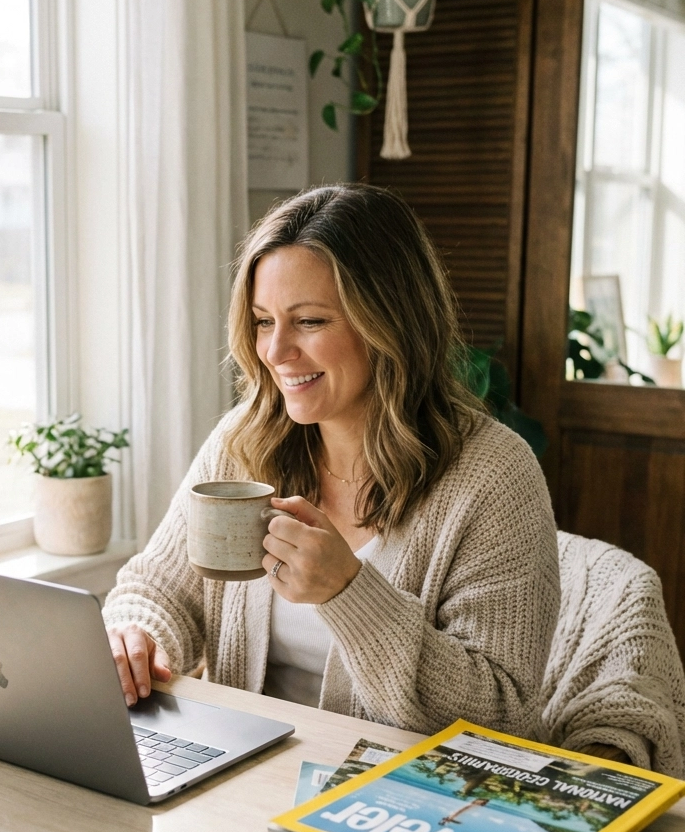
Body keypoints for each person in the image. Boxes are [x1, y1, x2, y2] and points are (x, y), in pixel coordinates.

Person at [102, 184, 560, 740]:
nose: (275, 352)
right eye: (264, 321)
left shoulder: (493, 476)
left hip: (393, 802)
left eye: (311, 321)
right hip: (238, 774)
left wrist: (349, 593)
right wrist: (135, 636)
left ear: (391, 322)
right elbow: (160, 589)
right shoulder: (244, 440)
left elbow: (501, 711)